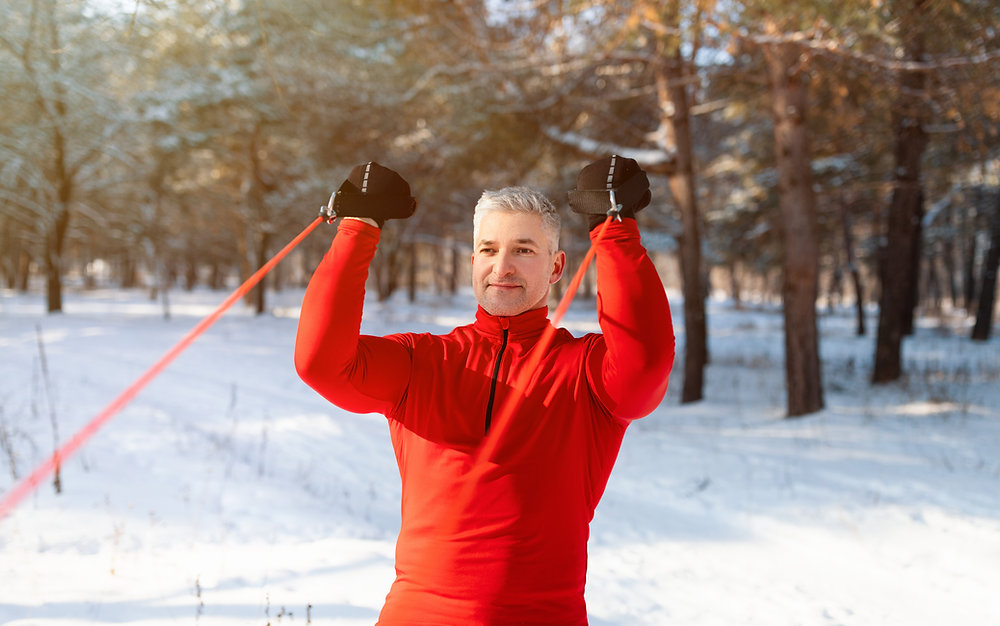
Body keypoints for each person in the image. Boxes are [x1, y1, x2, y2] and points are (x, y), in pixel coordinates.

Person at [294, 156, 675, 625]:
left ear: (557, 267)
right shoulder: (422, 362)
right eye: (489, 249)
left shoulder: (586, 370)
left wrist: (613, 230)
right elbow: (321, 362)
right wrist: (359, 225)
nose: (503, 266)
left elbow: (644, 369)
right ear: (473, 262)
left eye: (524, 250)